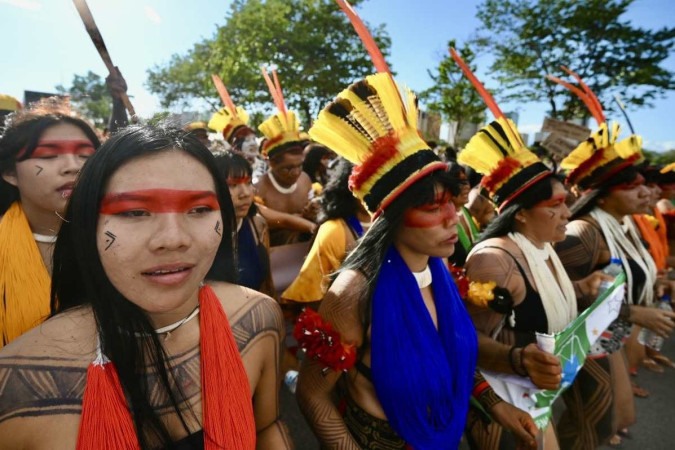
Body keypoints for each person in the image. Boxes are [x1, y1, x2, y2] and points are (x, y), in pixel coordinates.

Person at [295, 8, 537, 446]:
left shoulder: (437, 267)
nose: (453, 219)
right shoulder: (352, 293)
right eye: (432, 208)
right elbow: (313, 397)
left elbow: (450, 353)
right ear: (389, 215)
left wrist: (497, 405)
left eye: (454, 204)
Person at [0, 124, 290, 449]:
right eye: (134, 212)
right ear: (87, 224)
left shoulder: (258, 318)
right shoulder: (13, 385)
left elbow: (267, 426)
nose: (174, 239)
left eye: (199, 209)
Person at [453, 54, 606, 449]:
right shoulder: (495, 261)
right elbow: (466, 341)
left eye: (564, 203)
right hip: (504, 402)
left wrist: (582, 285)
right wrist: (519, 359)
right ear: (520, 216)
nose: (566, 213)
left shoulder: (541, 247)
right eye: (554, 205)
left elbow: (539, 297)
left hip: (534, 393)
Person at [550, 69, 675, 448]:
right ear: (603, 194)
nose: (644, 193)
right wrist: (635, 314)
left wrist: (655, 283)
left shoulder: (624, 225)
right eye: (632, 186)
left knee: (615, 421)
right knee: (594, 427)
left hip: (609, 337)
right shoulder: (583, 232)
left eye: (644, 186)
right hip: (583, 343)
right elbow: (559, 297)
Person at [0, 97, 100, 348]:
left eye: (86, 155)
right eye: (49, 155)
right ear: (10, 173)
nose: (72, 166)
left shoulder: (127, 239)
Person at [255, 67, 317, 245]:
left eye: (300, 165)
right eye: (288, 168)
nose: (296, 172)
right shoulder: (260, 189)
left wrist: (313, 210)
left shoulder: (305, 179)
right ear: (271, 163)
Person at [212, 151, 274, 297]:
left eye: (248, 182)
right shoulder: (203, 234)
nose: (245, 193)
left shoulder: (257, 225)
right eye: (233, 185)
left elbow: (267, 285)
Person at [447, 162, 479, 267]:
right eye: (459, 182)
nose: (466, 186)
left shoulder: (466, 211)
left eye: (466, 181)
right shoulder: (445, 221)